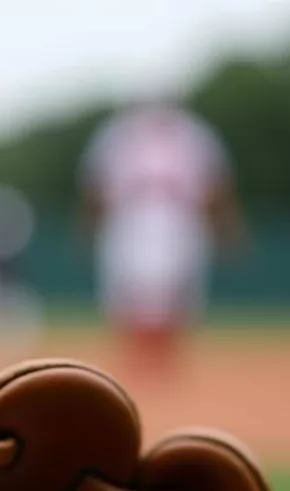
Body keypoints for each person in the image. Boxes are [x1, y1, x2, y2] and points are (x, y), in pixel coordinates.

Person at [79, 95, 244, 370]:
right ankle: (135, 359)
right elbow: (95, 188)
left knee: (177, 291)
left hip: (180, 220)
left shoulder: (195, 136)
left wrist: (227, 228)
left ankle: (165, 361)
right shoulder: (116, 136)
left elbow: (217, 187)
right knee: (127, 291)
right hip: (129, 220)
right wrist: (89, 226)